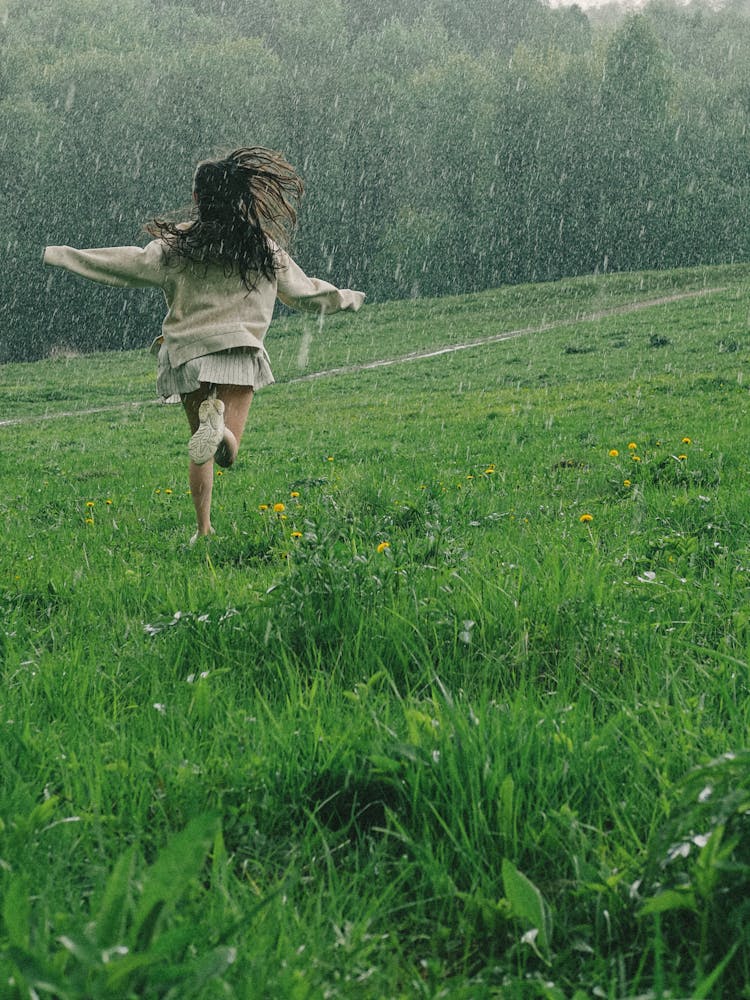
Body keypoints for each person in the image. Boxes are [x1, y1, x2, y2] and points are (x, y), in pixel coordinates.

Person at [44, 147, 365, 544]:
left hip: (190, 354)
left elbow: (126, 264)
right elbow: (303, 293)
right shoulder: (262, 247)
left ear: (198, 199)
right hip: (240, 352)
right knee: (226, 451)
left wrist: (66, 256)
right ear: (241, 196)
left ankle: (203, 527)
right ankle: (223, 434)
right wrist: (346, 298)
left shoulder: (176, 246)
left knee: (200, 446)